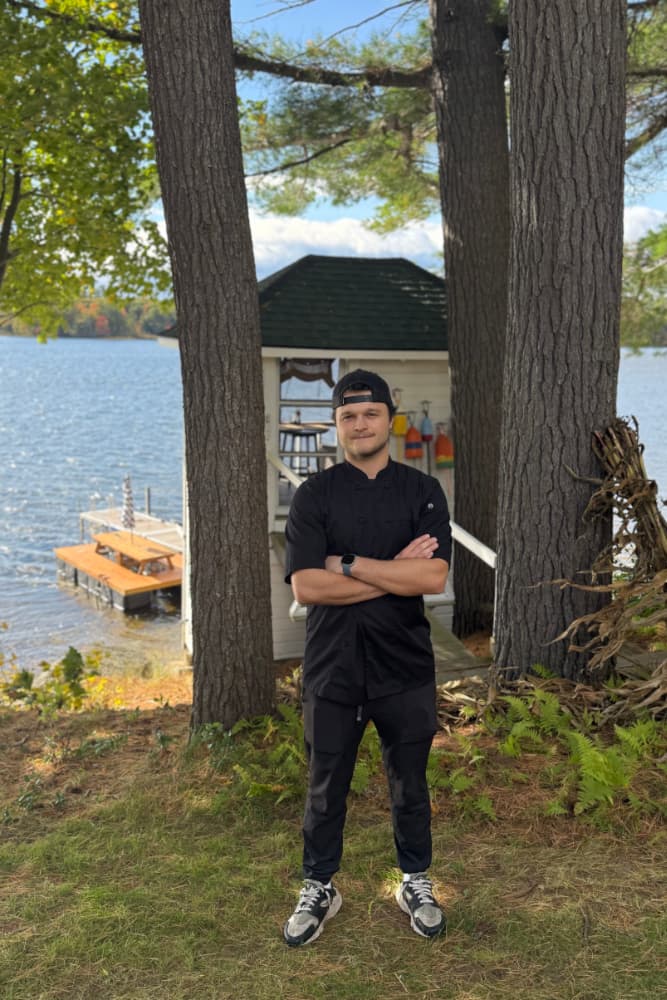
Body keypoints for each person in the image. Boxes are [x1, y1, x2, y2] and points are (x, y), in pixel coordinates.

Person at [282, 369, 452, 947]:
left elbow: (431, 575)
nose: (360, 424)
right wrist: (392, 572)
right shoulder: (315, 495)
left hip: (404, 666)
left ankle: (415, 880)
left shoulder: (423, 490)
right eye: (348, 416)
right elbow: (306, 587)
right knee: (325, 785)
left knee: (410, 782)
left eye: (370, 414)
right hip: (333, 666)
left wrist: (348, 565)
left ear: (388, 418)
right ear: (337, 426)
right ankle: (319, 886)